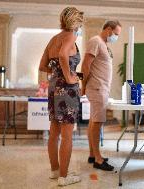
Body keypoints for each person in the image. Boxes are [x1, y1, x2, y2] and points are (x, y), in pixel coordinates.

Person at [39, 7, 83, 186]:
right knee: (66, 135)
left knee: (54, 133)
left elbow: (43, 65)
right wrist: (69, 76)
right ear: (75, 21)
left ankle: (55, 170)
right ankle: (64, 177)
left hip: (53, 87)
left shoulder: (54, 39)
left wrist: (57, 73)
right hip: (67, 89)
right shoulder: (71, 35)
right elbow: (64, 55)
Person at [81, 20, 122, 171]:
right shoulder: (95, 41)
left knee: (93, 121)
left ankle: (93, 155)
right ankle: (98, 159)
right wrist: (83, 85)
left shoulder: (104, 44)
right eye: (116, 34)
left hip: (101, 88)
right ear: (109, 30)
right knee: (97, 123)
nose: (116, 37)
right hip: (97, 88)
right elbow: (85, 65)